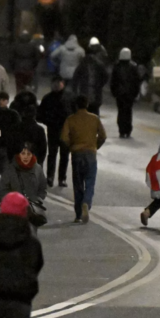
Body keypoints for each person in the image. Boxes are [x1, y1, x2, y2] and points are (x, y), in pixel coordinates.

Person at [61, 95, 107, 224]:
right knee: (90, 181)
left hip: (77, 154)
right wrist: (95, 146)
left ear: (75, 105)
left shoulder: (70, 119)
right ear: (87, 105)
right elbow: (103, 135)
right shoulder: (94, 119)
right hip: (90, 154)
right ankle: (86, 202)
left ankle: (78, 215)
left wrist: (72, 147)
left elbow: (64, 137)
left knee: (78, 184)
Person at [38, 76, 74, 187]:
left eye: (59, 83)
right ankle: (50, 177)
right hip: (53, 129)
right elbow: (40, 114)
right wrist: (48, 121)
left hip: (65, 131)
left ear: (63, 84)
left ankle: (62, 178)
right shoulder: (47, 98)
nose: (57, 85)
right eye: (55, 83)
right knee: (52, 154)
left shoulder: (69, 97)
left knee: (64, 155)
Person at [0, 144, 47, 224]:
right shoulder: (10, 169)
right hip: (14, 212)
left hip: (32, 211)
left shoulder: (37, 169)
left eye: (28, 154)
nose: (26, 157)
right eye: (23, 153)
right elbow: (3, 189)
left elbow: (42, 187)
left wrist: (38, 200)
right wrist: (11, 202)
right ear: (18, 154)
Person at [110, 48, 141, 138]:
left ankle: (121, 130)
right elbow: (137, 81)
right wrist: (136, 92)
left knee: (120, 111)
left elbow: (113, 80)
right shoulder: (133, 67)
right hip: (130, 93)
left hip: (119, 93)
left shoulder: (117, 66)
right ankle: (128, 129)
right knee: (128, 111)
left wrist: (114, 91)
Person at [71, 43, 109, 115]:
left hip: (85, 91)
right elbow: (105, 76)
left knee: (85, 111)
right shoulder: (99, 64)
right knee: (94, 112)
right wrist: (100, 84)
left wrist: (75, 89)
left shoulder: (83, 63)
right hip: (95, 93)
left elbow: (76, 76)